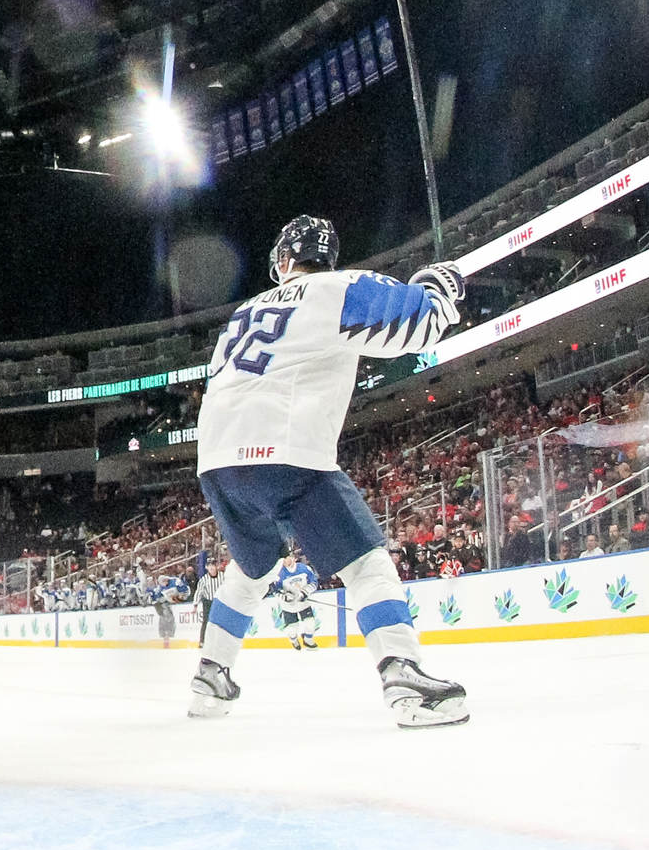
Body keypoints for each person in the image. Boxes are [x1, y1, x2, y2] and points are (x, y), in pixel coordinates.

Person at [187, 215, 469, 727]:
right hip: (286, 451)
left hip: (217, 462)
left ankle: (211, 675)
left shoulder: (242, 312)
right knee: (366, 564)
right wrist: (439, 287)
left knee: (252, 570)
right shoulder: (340, 287)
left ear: (282, 259)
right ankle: (403, 675)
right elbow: (419, 325)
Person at [269, 548, 320, 649]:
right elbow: (274, 589)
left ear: (293, 558)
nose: (284, 561)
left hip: (304, 603)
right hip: (288, 606)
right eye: (282, 560)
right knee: (292, 628)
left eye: (286, 558)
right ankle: (293, 640)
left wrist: (306, 592)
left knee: (310, 622)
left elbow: (314, 582)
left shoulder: (304, 568)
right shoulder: (279, 573)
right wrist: (284, 596)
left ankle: (308, 640)